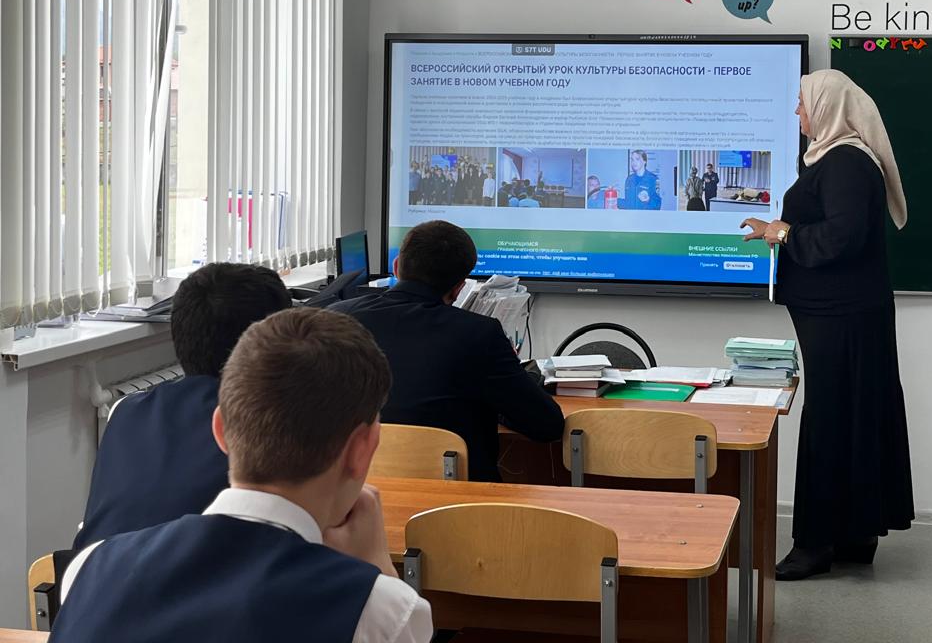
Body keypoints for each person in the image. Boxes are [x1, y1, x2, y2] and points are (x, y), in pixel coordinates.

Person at [53, 307, 434, 643]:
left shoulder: (90, 567)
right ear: (362, 449)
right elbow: (389, 613)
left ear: (220, 430)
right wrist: (377, 570)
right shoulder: (378, 610)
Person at [742, 68, 913, 580]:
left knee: (832, 421)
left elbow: (842, 237)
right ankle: (854, 534)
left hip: (840, 317)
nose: (797, 112)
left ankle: (815, 545)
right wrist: (778, 231)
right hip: (841, 314)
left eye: (802, 102)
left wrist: (782, 233)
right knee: (850, 416)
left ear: (826, 107)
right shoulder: (837, 158)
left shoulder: (846, 163)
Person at [73, 262, 293, 552]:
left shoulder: (125, 411)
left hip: (87, 575)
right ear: (275, 346)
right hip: (204, 578)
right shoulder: (270, 427)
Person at [331, 220, 564, 482]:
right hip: (457, 499)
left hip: (355, 489)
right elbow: (548, 426)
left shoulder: (335, 320)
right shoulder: (479, 334)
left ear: (396, 267)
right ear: (459, 288)